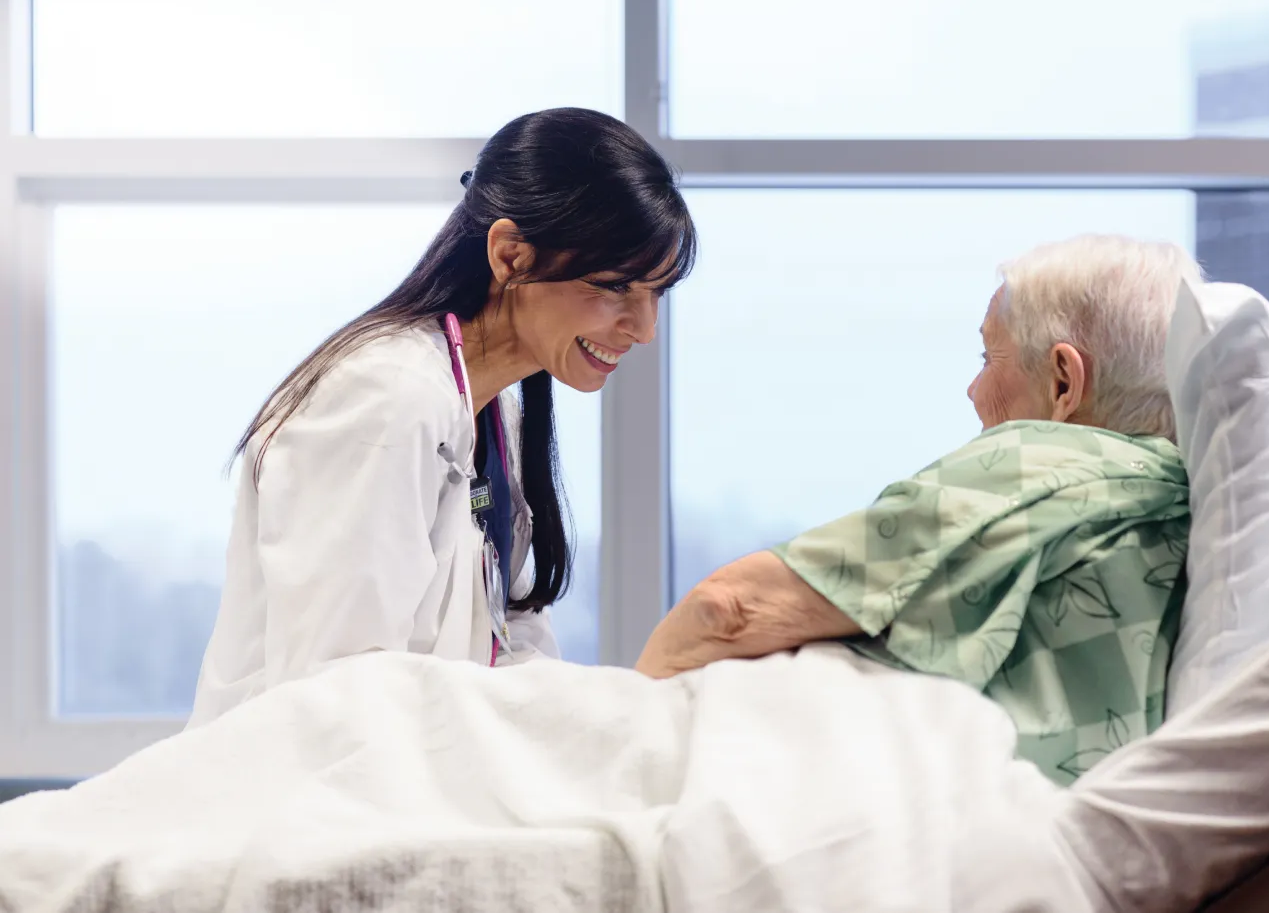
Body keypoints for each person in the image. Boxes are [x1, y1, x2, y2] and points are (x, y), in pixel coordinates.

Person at [189, 108, 697, 728]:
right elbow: (335, 689)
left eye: (656, 294)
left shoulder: (491, 417)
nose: (643, 330)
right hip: (304, 797)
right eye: (616, 286)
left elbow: (507, 649)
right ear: (511, 256)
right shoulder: (384, 398)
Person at [636, 234, 1202, 785]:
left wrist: (629, 726)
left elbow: (727, 610)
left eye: (989, 356)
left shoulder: (1031, 464)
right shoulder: (1182, 504)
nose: (972, 389)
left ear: (1063, 382)